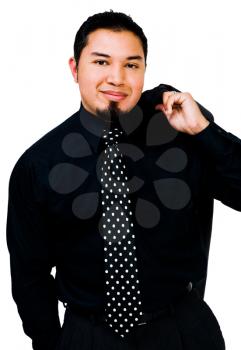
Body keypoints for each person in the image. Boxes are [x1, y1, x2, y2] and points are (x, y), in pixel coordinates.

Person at [6, 10, 241, 350]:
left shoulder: (181, 136)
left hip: (183, 331)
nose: (117, 78)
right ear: (75, 69)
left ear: (144, 70)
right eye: (101, 62)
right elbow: (29, 276)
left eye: (131, 65)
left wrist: (204, 131)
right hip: (89, 336)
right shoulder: (38, 165)